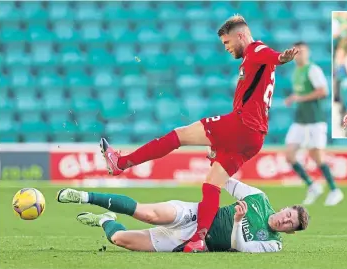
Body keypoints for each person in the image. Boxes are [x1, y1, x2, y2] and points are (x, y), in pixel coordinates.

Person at [100, 14, 298, 252]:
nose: (226, 48)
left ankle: (120, 162)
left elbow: (268, 55)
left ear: (240, 36)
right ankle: (198, 239)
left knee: (178, 135)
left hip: (243, 126)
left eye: (227, 43)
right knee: (212, 185)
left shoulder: (255, 49)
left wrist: (280, 57)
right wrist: (276, 59)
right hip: (254, 139)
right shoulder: (254, 58)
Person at [56, 178, 309, 253]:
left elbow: (241, 248)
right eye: (288, 214)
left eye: (289, 223)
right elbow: (228, 182)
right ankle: (82, 195)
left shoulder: (274, 244)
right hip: (196, 216)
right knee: (149, 214)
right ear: (284, 208)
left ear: (290, 231)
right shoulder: (259, 198)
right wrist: (218, 165)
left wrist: (236, 222)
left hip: (195, 244)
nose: (284, 220)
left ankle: (105, 219)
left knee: (120, 240)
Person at [284, 41, 343, 206]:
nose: (300, 54)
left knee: (317, 156)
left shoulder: (313, 70)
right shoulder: (296, 71)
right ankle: (312, 186)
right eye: (297, 51)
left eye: (302, 51)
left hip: (315, 120)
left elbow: (324, 91)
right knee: (289, 155)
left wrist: (299, 98)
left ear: (308, 53)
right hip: (300, 120)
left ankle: (334, 190)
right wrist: (294, 98)